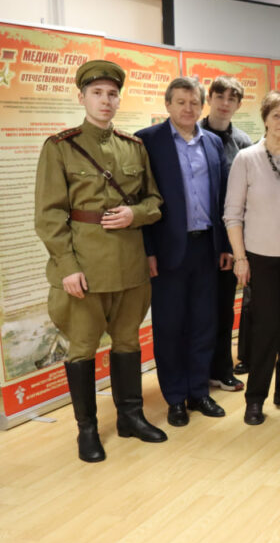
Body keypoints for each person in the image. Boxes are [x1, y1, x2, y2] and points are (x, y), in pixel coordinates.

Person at [35, 60, 167, 462]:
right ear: (82, 97)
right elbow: (49, 216)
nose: (105, 101)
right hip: (85, 268)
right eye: (97, 93)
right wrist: (67, 267)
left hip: (129, 264)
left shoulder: (133, 147)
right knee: (83, 348)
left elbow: (154, 201)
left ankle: (131, 417)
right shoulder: (60, 147)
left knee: (128, 342)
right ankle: (87, 430)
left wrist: (135, 214)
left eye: (112, 94)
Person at [138, 77, 231, 427]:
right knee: (170, 326)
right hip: (167, 251)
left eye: (194, 102)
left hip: (206, 246)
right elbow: (140, 199)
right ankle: (175, 398)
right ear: (168, 105)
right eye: (181, 102)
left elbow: (221, 197)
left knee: (204, 323)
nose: (188, 109)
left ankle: (199, 391)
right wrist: (148, 250)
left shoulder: (212, 142)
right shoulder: (148, 141)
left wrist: (224, 245)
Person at [223, 91, 280, 425]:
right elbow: (232, 214)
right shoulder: (246, 159)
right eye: (276, 115)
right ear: (265, 119)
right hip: (260, 258)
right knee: (265, 329)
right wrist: (240, 258)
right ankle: (255, 398)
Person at [199, 75, 252, 393]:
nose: (225, 103)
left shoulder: (243, 142)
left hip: (228, 241)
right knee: (196, 311)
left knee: (222, 308)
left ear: (238, 105)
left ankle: (221, 369)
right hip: (195, 239)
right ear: (209, 98)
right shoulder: (192, 133)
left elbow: (245, 197)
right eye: (220, 96)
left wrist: (236, 246)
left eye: (232, 98)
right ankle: (197, 372)